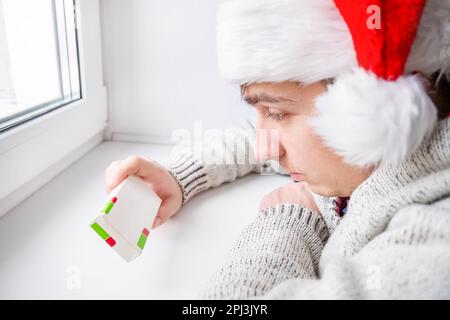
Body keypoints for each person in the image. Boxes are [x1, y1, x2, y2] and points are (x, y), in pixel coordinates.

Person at [105, 0, 450, 299]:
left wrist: (292, 220)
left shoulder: (432, 240)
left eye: (277, 113)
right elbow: (245, 139)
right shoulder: (374, 156)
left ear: (368, 106)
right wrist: (179, 178)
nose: (267, 149)